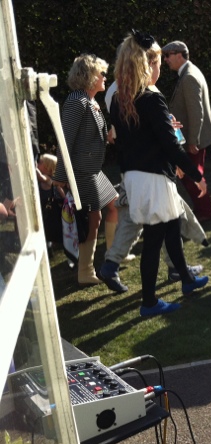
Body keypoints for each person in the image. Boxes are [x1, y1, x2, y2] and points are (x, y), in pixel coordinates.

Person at [111, 30, 208, 317]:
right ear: (147, 64)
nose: (160, 68)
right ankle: (149, 302)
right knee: (155, 240)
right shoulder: (150, 98)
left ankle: (186, 279)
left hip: (137, 176)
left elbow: (133, 141)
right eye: (156, 63)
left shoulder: (120, 98)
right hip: (152, 178)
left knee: (171, 227)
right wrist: (196, 175)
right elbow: (170, 145)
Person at [52, 53, 119, 286]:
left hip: (93, 170)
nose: (105, 77)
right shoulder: (76, 101)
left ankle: (113, 258)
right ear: (89, 76)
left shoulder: (90, 100)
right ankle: (86, 271)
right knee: (93, 217)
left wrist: (108, 135)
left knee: (114, 205)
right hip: (82, 171)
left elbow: (88, 136)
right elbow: (65, 140)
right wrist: (61, 177)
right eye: (101, 73)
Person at [162, 40, 211, 223]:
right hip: (191, 137)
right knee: (190, 175)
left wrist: (193, 141)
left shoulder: (189, 76)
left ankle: (205, 212)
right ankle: (203, 210)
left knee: (192, 176)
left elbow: (196, 112)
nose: (165, 60)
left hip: (192, 140)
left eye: (167, 55)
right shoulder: (189, 73)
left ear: (179, 55)